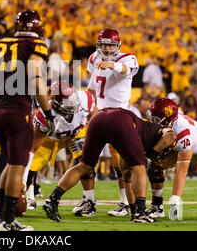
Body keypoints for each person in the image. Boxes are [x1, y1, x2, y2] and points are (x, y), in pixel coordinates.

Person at [0, 10, 54, 231]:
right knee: (18, 165)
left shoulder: (0, 44)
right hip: (18, 110)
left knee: (9, 162)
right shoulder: (35, 46)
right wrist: (48, 111)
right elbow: (36, 79)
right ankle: (7, 220)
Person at [42, 107, 176, 223]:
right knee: (139, 167)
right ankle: (141, 214)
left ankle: (52, 200)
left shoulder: (134, 140)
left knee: (85, 165)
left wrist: (133, 209)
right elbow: (171, 134)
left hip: (98, 118)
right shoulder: (158, 130)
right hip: (121, 120)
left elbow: (127, 180)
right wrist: (152, 155)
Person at [82, 28, 139, 218]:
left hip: (119, 115)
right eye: (103, 44)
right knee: (88, 157)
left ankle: (124, 201)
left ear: (118, 45)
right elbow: (94, 83)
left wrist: (111, 65)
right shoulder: (93, 59)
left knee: (119, 160)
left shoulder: (127, 58)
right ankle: (88, 199)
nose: (106, 48)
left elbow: (124, 70)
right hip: (100, 114)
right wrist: (89, 101)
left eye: (110, 44)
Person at [26, 81, 96, 211]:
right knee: (30, 165)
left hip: (76, 133)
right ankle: (28, 197)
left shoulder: (84, 98)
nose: (72, 103)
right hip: (49, 140)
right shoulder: (44, 115)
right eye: (67, 101)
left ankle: (89, 199)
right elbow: (31, 148)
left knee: (86, 163)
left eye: (72, 98)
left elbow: (95, 120)